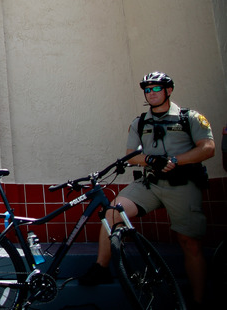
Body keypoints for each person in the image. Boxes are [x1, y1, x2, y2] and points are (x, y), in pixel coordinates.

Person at [79, 72, 215, 307]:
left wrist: (176, 160)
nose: (151, 93)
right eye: (147, 89)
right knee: (113, 212)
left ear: (168, 91)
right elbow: (132, 155)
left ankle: (198, 300)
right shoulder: (140, 122)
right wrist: (151, 161)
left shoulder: (190, 118)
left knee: (189, 242)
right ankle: (101, 267)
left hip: (182, 184)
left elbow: (208, 148)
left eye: (156, 88)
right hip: (151, 183)